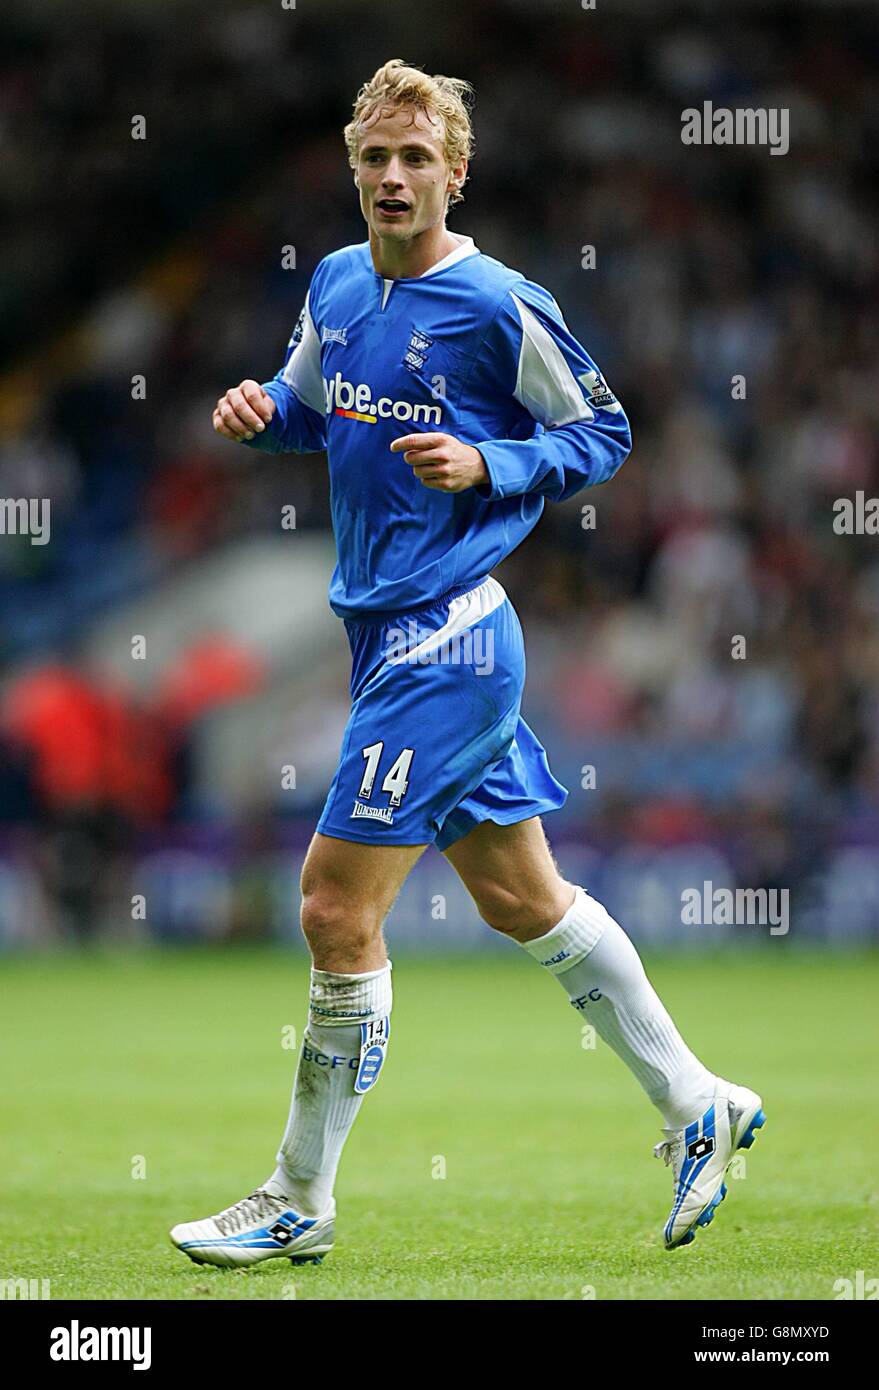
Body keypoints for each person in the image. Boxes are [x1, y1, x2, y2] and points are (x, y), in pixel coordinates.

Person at [170, 59, 764, 1268]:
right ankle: (697, 1099)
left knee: (336, 909)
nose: (394, 177)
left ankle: (298, 1195)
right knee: (519, 899)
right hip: (389, 636)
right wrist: (258, 411)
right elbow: (310, 401)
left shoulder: (497, 303)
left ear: (456, 171)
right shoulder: (337, 285)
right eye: (376, 159)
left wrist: (493, 464)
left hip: (448, 635)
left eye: (416, 159)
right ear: (355, 170)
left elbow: (602, 432)